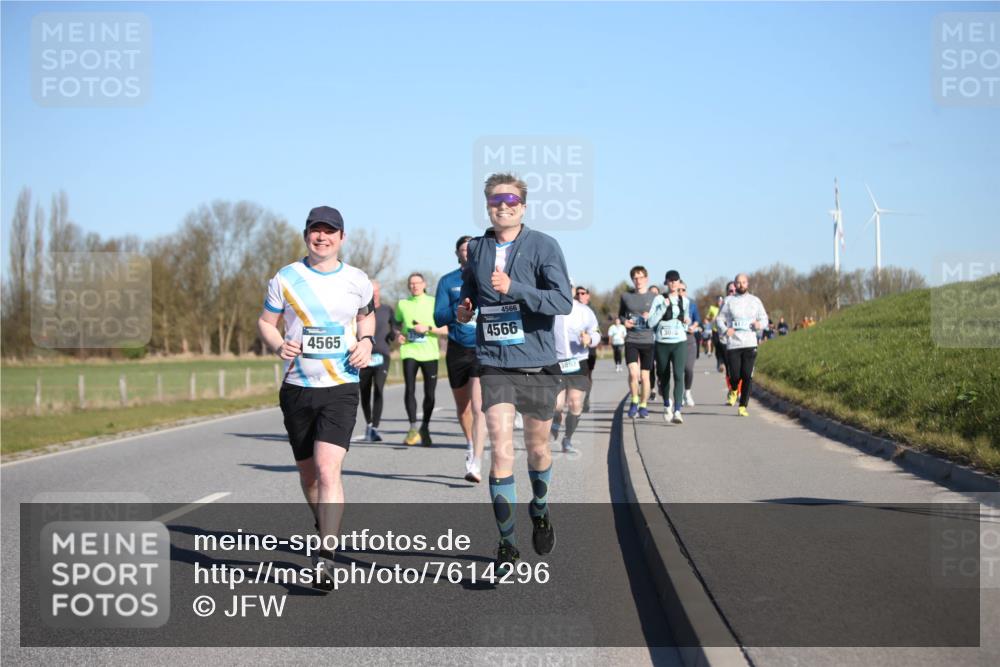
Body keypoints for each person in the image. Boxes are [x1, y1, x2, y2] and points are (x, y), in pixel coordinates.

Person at [456, 172, 572, 574]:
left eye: (510, 203)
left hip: (538, 364)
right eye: (494, 203)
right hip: (494, 364)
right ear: (487, 205)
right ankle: (507, 546)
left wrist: (514, 289)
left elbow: (562, 301)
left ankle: (539, 510)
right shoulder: (477, 247)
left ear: (523, 206)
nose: (502, 208)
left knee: (538, 449)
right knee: (501, 449)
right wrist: (466, 308)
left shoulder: (544, 245)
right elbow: (471, 289)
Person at [257, 205, 375, 591]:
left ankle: (326, 557)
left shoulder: (357, 280)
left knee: (328, 469)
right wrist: (278, 344)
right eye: (315, 231)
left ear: (342, 238)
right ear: (306, 235)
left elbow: (366, 317)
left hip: (341, 386)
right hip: (297, 388)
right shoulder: (286, 278)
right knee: (309, 475)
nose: (321, 237)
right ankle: (322, 521)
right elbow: (266, 321)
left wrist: (367, 340)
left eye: (329, 232)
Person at [434, 235, 487, 482]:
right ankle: (469, 443)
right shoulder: (448, 281)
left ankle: (476, 461)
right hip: (457, 349)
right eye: (464, 249)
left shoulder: (486, 276)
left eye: (472, 249)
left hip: (481, 348)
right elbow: (438, 317)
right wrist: (458, 308)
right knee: (463, 408)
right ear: (457, 253)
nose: (468, 252)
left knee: (478, 407)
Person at [396, 273, 447, 446]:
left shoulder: (434, 302)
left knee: (429, 394)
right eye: (411, 284)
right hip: (409, 351)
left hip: (430, 354)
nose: (414, 286)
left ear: (424, 284)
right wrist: (398, 336)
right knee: (409, 389)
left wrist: (428, 328)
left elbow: (446, 329)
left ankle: (425, 426)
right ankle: (412, 428)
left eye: (417, 283)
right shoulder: (402, 304)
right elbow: (396, 325)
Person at [550, 286, 601, 452]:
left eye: (567, 286)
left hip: (578, 362)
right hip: (555, 361)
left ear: (571, 290)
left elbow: (596, 332)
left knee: (575, 403)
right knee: (556, 405)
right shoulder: (549, 308)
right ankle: (556, 420)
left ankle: (568, 439)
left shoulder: (584, 311)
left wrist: (590, 338)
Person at [715, 273, 768, 416]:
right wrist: (726, 330)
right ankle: (733, 389)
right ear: (734, 284)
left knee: (747, 376)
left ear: (747, 284)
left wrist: (759, 324)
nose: (741, 285)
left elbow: (764, 319)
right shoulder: (729, 301)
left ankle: (743, 406)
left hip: (750, 343)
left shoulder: (755, 301)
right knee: (735, 375)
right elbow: (719, 319)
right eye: (738, 283)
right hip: (734, 344)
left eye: (743, 282)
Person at [648, 270, 689, 423]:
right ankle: (666, 404)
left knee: (679, 375)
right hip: (662, 343)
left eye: (675, 281)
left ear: (679, 282)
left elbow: (685, 320)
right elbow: (651, 322)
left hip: (679, 342)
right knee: (664, 376)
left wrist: (686, 322)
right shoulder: (659, 299)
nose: (673, 283)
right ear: (666, 283)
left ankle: (678, 410)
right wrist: (662, 308)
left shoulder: (684, 300)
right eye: (670, 281)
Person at [359, 279, 396, 442]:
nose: (374, 295)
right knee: (364, 392)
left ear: (379, 293)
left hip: (382, 355)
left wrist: (394, 334)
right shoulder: (359, 311)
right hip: (362, 356)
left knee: (379, 389)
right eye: (371, 292)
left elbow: (395, 328)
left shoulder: (387, 310)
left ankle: (375, 427)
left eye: (376, 292)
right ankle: (369, 424)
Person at [619, 266, 657, 419]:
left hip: (648, 340)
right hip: (632, 340)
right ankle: (634, 401)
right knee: (633, 374)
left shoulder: (654, 297)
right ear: (632, 280)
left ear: (646, 279)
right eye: (635, 278)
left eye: (641, 277)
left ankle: (643, 405)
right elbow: (621, 315)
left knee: (645, 376)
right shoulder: (626, 296)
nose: (638, 281)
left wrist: (652, 316)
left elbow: (660, 316)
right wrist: (624, 322)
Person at [574, 286, 600, 412]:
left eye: (583, 293)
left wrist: (589, 337)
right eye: (578, 293)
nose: (580, 295)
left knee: (587, 375)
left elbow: (597, 330)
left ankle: (587, 398)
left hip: (589, 348)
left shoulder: (592, 310)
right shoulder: (571, 309)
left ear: (588, 296)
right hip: (574, 348)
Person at [679, 281, 700, 407]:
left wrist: (693, 326)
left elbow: (698, 319)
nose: (681, 292)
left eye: (683, 290)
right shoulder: (672, 303)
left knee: (688, 369)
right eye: (679, 290)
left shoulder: (691, 304)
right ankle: (679, 394)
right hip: (677, 339)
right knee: (679, 370)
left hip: (689, 338)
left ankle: (687, 392)